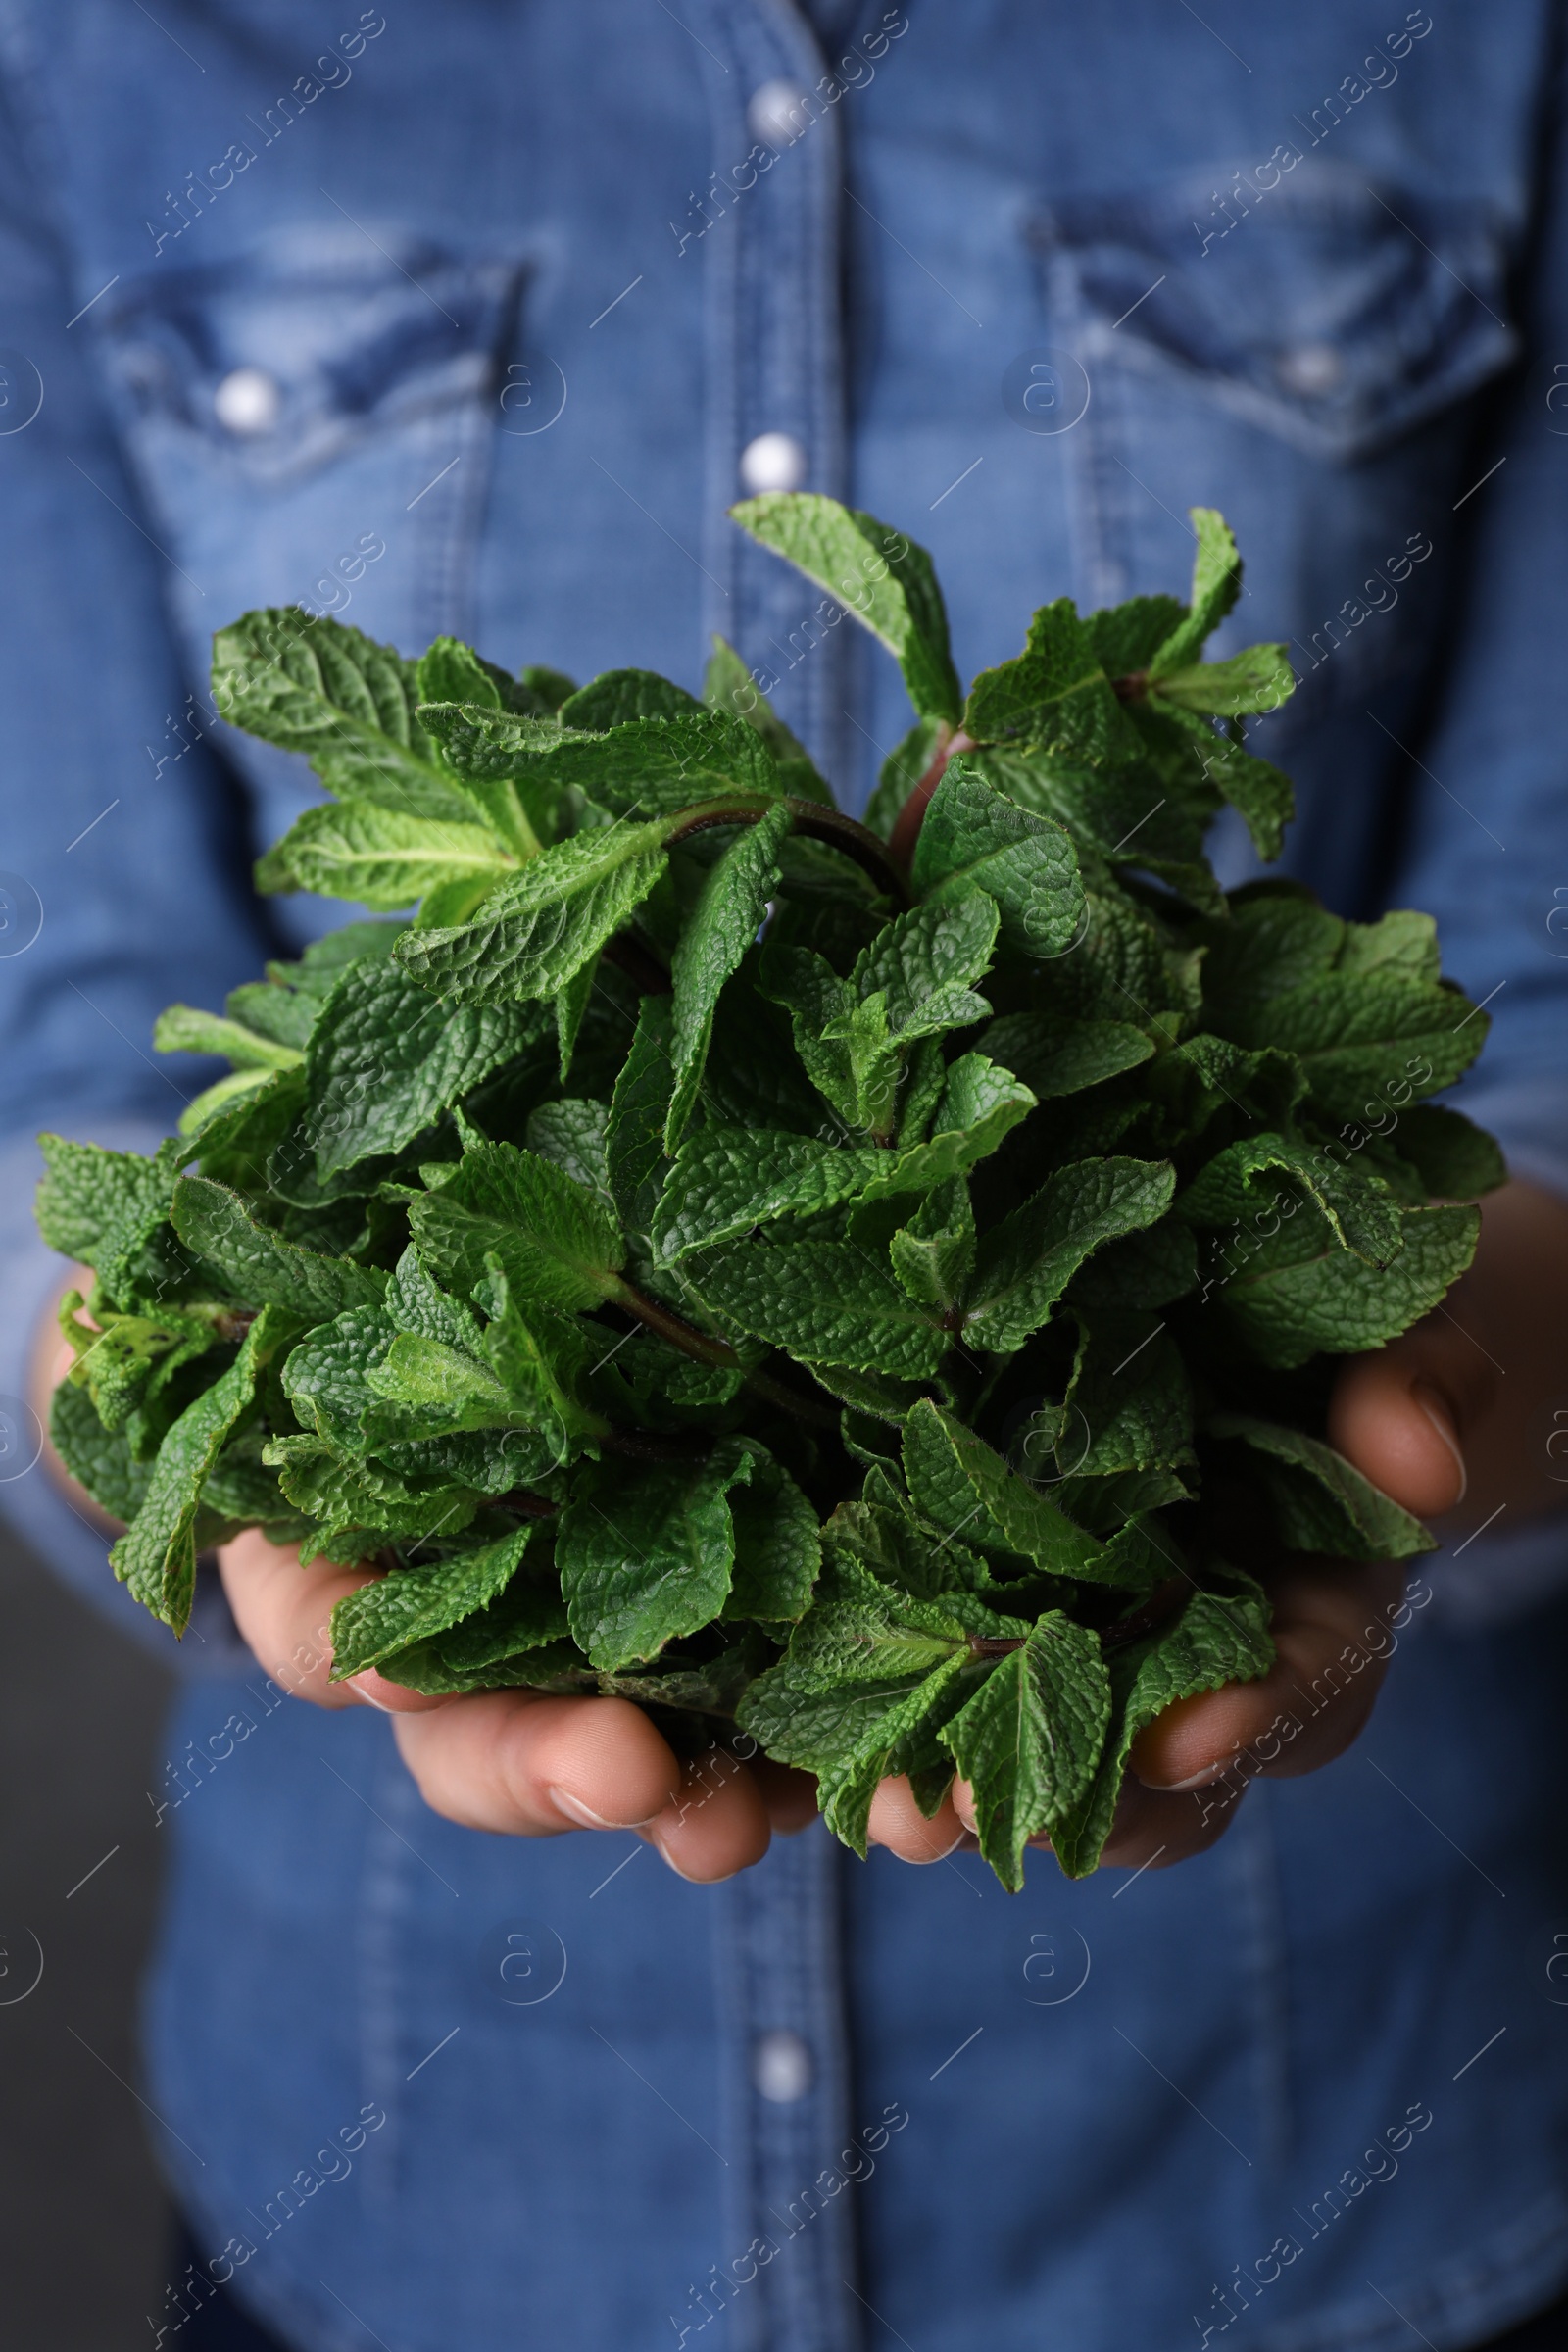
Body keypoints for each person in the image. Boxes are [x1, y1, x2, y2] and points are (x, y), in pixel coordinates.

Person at [3, 3, 1567, 2345]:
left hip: (1304, 2181)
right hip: (426, 2208)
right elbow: (66, 1067)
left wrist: (1429, 1361)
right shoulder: (96, 48)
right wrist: (209, 1430)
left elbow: (1524, 1023)